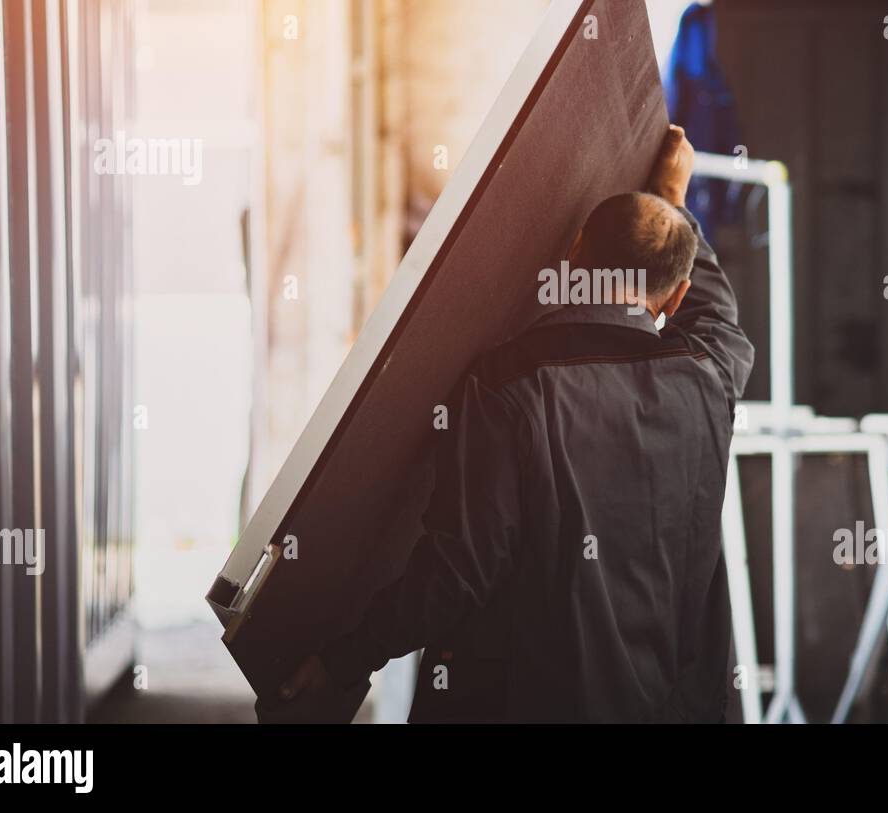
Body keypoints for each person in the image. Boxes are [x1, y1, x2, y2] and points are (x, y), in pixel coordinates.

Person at [277, 124, 754, 721]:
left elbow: (457, 571)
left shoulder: (506, 384)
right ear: (676, 297)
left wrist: (344, 661)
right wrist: (674, 201)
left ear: (575, 251)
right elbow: (717, 314)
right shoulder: (709, 378)